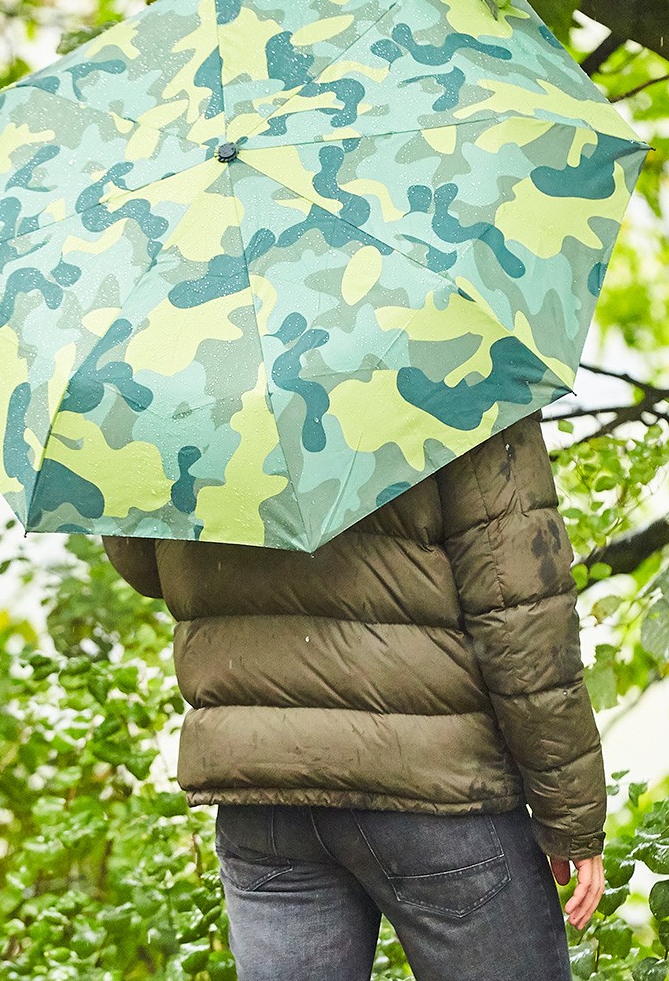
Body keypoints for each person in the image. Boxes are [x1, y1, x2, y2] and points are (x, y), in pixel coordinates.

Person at [102, 410, 606, 981]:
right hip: (435, 785)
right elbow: (520, 609)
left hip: (264, 790)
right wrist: (570, 812)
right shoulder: (456, 349)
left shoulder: (175, 361)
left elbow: (145, 565)